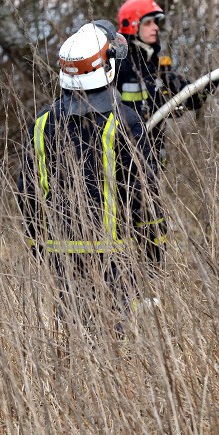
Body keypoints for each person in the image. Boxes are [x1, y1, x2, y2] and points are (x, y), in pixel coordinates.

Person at [17, 21, 165, 331]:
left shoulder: (43, 123)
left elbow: (28, 192)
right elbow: (144, 193)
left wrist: (38, 245)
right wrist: (155, 248)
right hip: (116, 255)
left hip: (61, 254)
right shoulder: (125, 121)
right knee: (116, 336)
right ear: (106, 65)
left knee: (75, 333)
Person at [116, 0, 215, 164]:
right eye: (148, 23)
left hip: (153, 155)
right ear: (132, 26)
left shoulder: (154, 65)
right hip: (124, 155)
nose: (155, 28)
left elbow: (190, 101)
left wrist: (207, 86)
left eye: (156, 22)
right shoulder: (119, 65)